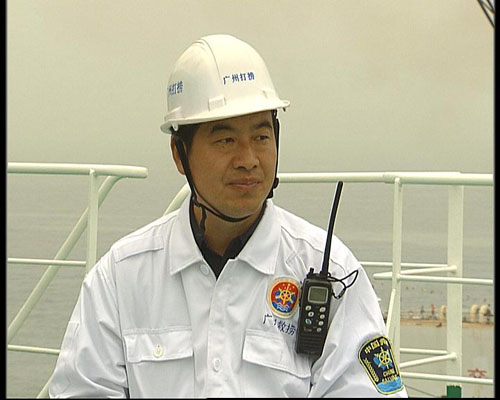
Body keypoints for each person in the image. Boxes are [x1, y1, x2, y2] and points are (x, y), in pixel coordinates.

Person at [49, 34, 407, 398]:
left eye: (261, 137)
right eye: (226, 140)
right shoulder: (121, 277)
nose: (248, 159)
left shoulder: (335, 273)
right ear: (179, 153)